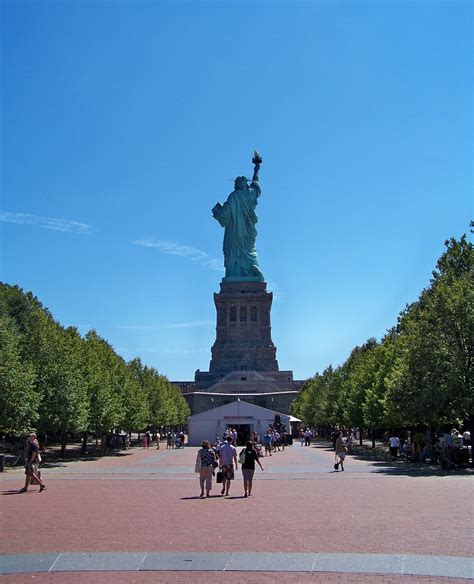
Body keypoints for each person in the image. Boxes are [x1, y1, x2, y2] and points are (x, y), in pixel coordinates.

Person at [212, 152, 264, 280]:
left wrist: (217, 212)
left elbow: (224, 216)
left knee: (234, 253)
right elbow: (256, 182)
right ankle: (252, 266)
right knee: (250, 250)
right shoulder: (250, 195)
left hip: (234, 235)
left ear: (236, 185)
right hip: (247, 234)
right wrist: (257, 167)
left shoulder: (233, 197)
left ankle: (234, 274)